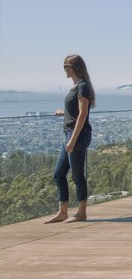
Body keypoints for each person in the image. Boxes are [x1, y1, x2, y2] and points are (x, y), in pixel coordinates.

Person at [46, 54, 95, 223]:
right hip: (69, 134)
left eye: (66, 67)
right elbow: (75, 112)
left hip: (77, 135)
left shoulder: (82, 87)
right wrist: (63, 113)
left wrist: (73, 140)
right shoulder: (75, 87)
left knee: (77, 175)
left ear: (74, 68)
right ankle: (63, 212)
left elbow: (83, 115)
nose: (64, 70)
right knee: (58, 174)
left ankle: (81, 212)